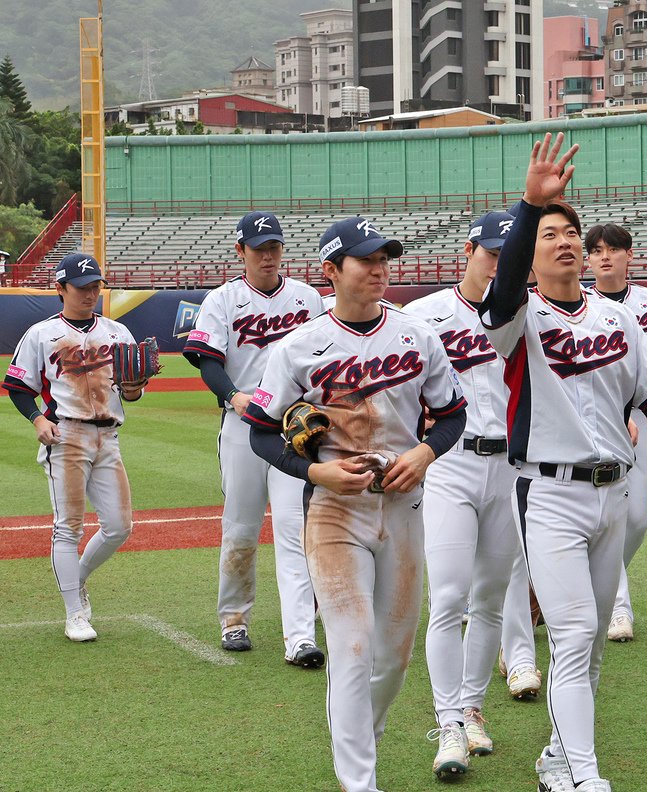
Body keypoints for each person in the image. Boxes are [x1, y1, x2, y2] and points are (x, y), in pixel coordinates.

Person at [480, 133, 647, 792]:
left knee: (588, 645)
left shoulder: (617, 320)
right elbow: (502, 288)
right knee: (573, 632)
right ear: (530, 254)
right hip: (548, 493)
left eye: (571, 231)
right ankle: (585, 776)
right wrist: (529, 205)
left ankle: (558, 761)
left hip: (613, 494)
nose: (565, 241)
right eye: (549, 235)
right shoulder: (518, 319)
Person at [242, 218, 467, 792]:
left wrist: (424, 453)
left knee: (392, 658)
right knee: (352, 645)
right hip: (335, 512)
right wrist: (316, 470)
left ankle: (362, 738)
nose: (378, 269)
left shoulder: (417, 336)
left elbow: (451, 415)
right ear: (331, 271)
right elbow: (262, 432)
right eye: (365, 260)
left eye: (384, 258)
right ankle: (358, 782)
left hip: (403, 505)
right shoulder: (297, 348)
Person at [401, 210, 541, 779]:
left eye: (508, 258)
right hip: (451, 463)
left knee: (489, 598)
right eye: (490, 252)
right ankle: (448, 722)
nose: (497, 264)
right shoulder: (424, 314)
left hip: (508, 463)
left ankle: (473, 708)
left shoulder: (530, 313)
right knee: (450, 596)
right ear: (469, 250)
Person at [180, 212, 322, 662]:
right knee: (241, 527)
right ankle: (234, 617)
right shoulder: (223, 300)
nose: (267, 255)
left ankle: (300, 635)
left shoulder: (306, 297)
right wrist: (234, 398)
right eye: (259, 248)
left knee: (295, 528)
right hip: (243, 429)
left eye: (274, 247)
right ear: (240, 251)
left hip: (293, 432)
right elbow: (207, 360)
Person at [4, 253, 147, 642]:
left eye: (95, 286)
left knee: (119, 526)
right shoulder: (40, 334)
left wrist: (134, 389)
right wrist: (37, 419)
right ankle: (74, 614)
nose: (90, 293)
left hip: (108, 436)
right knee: (67, 527)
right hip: (65, 436)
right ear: (60, 289)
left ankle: (78, 576)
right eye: (81, 287)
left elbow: (131, 392)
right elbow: (18, 386)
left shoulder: (118, 333)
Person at [582, 222, 647, 643]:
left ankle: (602, 580)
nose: (604, 256)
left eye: (613, 249)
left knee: (637, 518)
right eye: (596, 250)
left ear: (629, 255)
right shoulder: (579, 303)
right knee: (610, 514)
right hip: (597, 417)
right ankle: (618, 606)